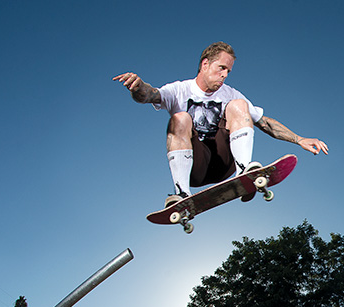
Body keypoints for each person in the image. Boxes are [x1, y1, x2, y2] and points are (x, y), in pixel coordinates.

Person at [114, 42, 328, 207]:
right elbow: (150, 95)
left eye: (228, 71)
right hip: (194, 167)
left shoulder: (230, 93)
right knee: (180, 118)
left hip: (224, 163)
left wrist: (299, 139)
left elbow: (264, 123)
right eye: (221, 68)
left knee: (239, 105)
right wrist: (137, 87)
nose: (225, 75)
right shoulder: (179, 89)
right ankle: (181, 192)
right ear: (205, 64)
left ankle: (244, 170)